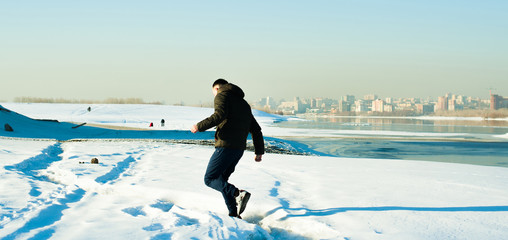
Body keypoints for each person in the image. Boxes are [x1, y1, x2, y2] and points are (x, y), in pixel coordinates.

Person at [191, 79, 264, 219]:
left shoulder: (222, 95)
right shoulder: (243, 104)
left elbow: (219, 115)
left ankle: (238, 194)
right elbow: (256, 129)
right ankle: (233, 213)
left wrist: (199, 126)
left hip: (225, 145)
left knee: (210, 178)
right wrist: (259, 151)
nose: (214, 96)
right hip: (238, 149)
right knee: (221, 180)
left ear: (217, 88)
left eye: (213, 93)